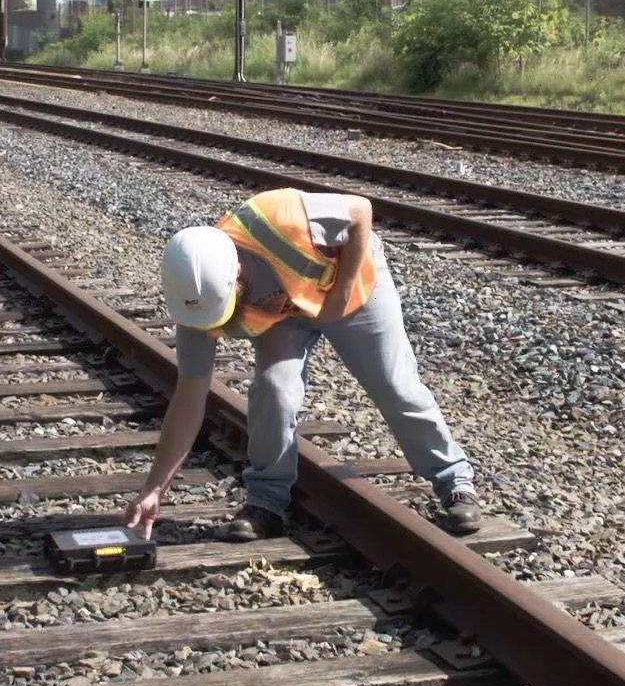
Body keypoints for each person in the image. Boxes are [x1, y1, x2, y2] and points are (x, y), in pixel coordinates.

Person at [121, 187, 482, 542]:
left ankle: (454, 482)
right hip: (287, 314)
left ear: (238, 276)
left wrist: (340, 292)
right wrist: (155, 488)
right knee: (274, 390)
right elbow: (189, 397)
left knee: (394, 384)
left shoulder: (281, 216)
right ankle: (266, 502)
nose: (221, 324)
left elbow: (360, 211)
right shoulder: (197, 304)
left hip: (353, 289)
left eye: (228, 309)